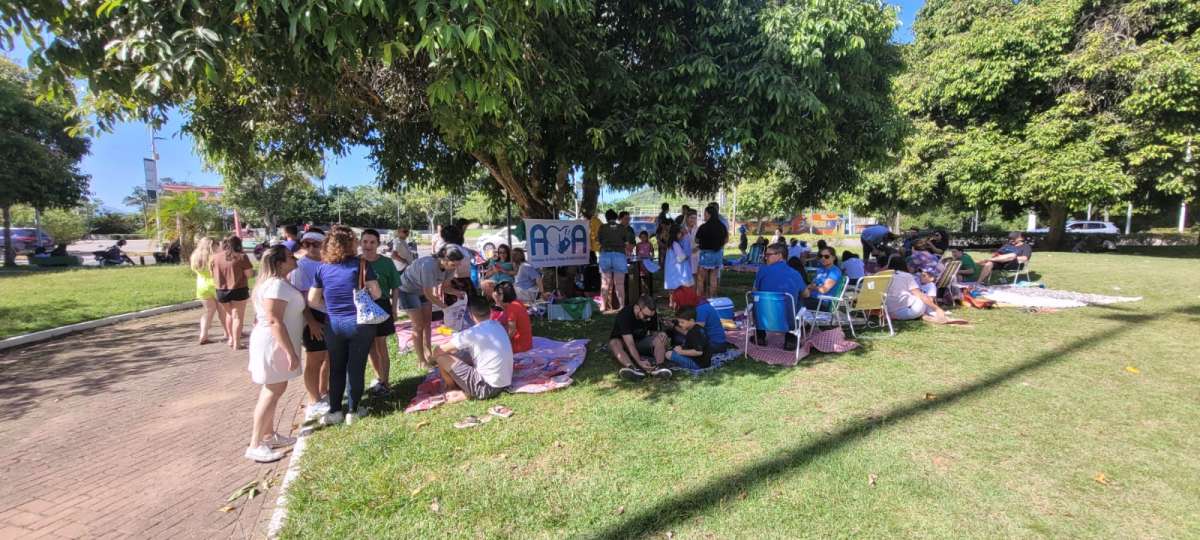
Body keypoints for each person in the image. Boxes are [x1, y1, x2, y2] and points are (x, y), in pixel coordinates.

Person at [308, 227, 381, 426]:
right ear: (351, 243)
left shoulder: (322, 268)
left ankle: (335, 410)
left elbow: (312, 300)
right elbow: (376, 293)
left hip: (334, 323)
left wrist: (330, 308)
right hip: (359, 323)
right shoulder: (362, 264)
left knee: (336, 367)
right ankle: (354, 410)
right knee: (356, 367)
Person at [244, 246, 303, 462]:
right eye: (290, 257)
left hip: (275, 342)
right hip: (273, 344)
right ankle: (255, 444)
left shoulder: (277, 283)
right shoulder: (275, 285)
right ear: (279, 263)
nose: (294, 258)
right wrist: (290, 352)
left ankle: (268, 435)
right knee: (272, 390)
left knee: (275, 389)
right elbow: (274, 320)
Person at [431, 295, 513, 402]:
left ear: (470, 314)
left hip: (486, 387)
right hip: (505, 382)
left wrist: (430, 359)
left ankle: (452, 388)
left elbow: (438, 351)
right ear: (490, 311)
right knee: (462, 356)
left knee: (441, 357)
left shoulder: (472, 333)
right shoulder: (498, 325)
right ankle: (466, 392)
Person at [398, 245, 466, 369]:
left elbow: (445, 287)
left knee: (427, 323)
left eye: (457, 265)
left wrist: (458, 293)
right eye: (453, 265)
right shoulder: (429, 266)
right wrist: (445, 308)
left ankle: (428, 353)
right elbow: (429, 294)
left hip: (422, 290)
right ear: (444, 259)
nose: (455, 268)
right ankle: (421, 361)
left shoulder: (450, 268)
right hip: (407, 290)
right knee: (418, 326)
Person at [289, 230, 331, 420]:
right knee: (315, 358)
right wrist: (311, 322)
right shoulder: (301, 267)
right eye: (307, 244)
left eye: (316, 244)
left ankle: (324, 391)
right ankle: (314, 400)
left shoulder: (328, 262)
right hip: (313, 316)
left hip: (330, 314)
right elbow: (302, 298)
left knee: (329, 357)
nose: (311, 248)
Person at [361, 229, 401, 396]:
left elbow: (395, 287)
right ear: (360, 243)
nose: (368, 245)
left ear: (378, 244)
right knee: (370, 345)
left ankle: (385, 381)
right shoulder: (357, 262)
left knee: (380, 344)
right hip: (362, 307)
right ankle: (378, 377)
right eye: (365, 241)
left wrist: (394, 308)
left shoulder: (386, 263)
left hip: (382, 305)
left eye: (372, 242)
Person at [752, 242, 805, 350]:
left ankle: (760, 337)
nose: (765, 257)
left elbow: (754, 291)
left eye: (768, 255)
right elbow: (806, 293)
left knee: (758, 301)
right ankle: (790, 340)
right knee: (799, 302)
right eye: (765, 255)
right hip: (787, 321)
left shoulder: (762, 270)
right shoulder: (795, 274)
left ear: (780, 255)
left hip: (764, 319)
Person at [608, 295, 672, 380]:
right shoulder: (625, 315)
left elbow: (653, 332)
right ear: (637, 308)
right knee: (614, 343)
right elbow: (630, 344)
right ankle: (632, 368)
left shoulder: (651, 314)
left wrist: (660, 334)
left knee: (661, 339)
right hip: (624, 344)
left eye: (651, 317)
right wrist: (639, 362)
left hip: (640, 341)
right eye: (646, 316)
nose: (649, 319)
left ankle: (659, 367)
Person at [211, 235, 254, 350]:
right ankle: (237, 343)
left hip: (221, 290)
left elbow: (212, 273)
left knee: (229, 315)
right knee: (237, 317)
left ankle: (230, 339)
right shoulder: (241, 257)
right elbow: (249, 274)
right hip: (238, 289)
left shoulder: (215, 257)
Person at [881, 255, 950, 323]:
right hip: (906, 311)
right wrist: (937, 309)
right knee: (922, 299)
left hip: (887, 310)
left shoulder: (882, 276)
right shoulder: (907, 276)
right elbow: (919, 294)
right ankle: (925, 315)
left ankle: (922, 316)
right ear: (904, 264)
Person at [190, 237, 226, 345]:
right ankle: (228, 332)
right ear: (212, 245)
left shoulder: (195, 256)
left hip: (201, 286)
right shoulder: (214, 256)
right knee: (222, 311)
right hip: (215, 284)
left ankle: (203, 334)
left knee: (208, 311)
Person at [597, 209, 635, 312]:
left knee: (605, 283)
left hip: (605, 254)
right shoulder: (622, 228)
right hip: (619, 255)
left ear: (606, 218)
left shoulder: (602, 227)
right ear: (616, 218)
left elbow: (599, 241)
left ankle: (603, 306)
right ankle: (622, 306)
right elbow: (627, 243)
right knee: (619, 284)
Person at [695, 205, 728, 298]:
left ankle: (700, 299)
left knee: (701, 278)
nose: (704, 216)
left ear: (709, 214)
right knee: (713, 278)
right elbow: (726, 239)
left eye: (705, 214)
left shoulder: (703, 227)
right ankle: (712, 298)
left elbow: (696, 240)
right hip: (718, 254)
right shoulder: (722, 226)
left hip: (706, 254)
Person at [492, 281, 533, 353]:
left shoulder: (512, 308)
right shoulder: (517, 302)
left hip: (519, 346)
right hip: (527, 343)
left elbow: (512, 332)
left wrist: (502, 342)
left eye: (497, 296)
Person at [801, 246, 844, 310]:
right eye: (821, 256)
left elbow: (823, 290)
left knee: (795, 304)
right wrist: (811, 287)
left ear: (833, 258)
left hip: (823, 302)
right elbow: (813, 284)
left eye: (826, 256)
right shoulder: (821, 270)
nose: (823, 258)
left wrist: (811, 287)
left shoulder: (835, 272)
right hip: (813, 299)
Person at [663, 223, 694, 305]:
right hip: (676, 271)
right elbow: (681, 258)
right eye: (680, 233)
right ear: (676, 234)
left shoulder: (671, 244)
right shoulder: (676, 244)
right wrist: (688, 255)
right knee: (677, 287)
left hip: (671, 270)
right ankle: (677, 303)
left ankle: (671, 303)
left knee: (672, 288)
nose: (682, 235)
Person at [635, 230, 654, 294]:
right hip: (640, 263)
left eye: (644, 237)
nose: (643, 239)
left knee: (647, 277)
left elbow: (652, 253)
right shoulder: (638, 245)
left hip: (647, 263)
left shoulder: (649, 244)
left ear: (647, 237)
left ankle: (648, 290)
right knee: (641, 276)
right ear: (640, 237)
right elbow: (637, 254)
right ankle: (642, 289)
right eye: (641, 237)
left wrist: (651, 258)